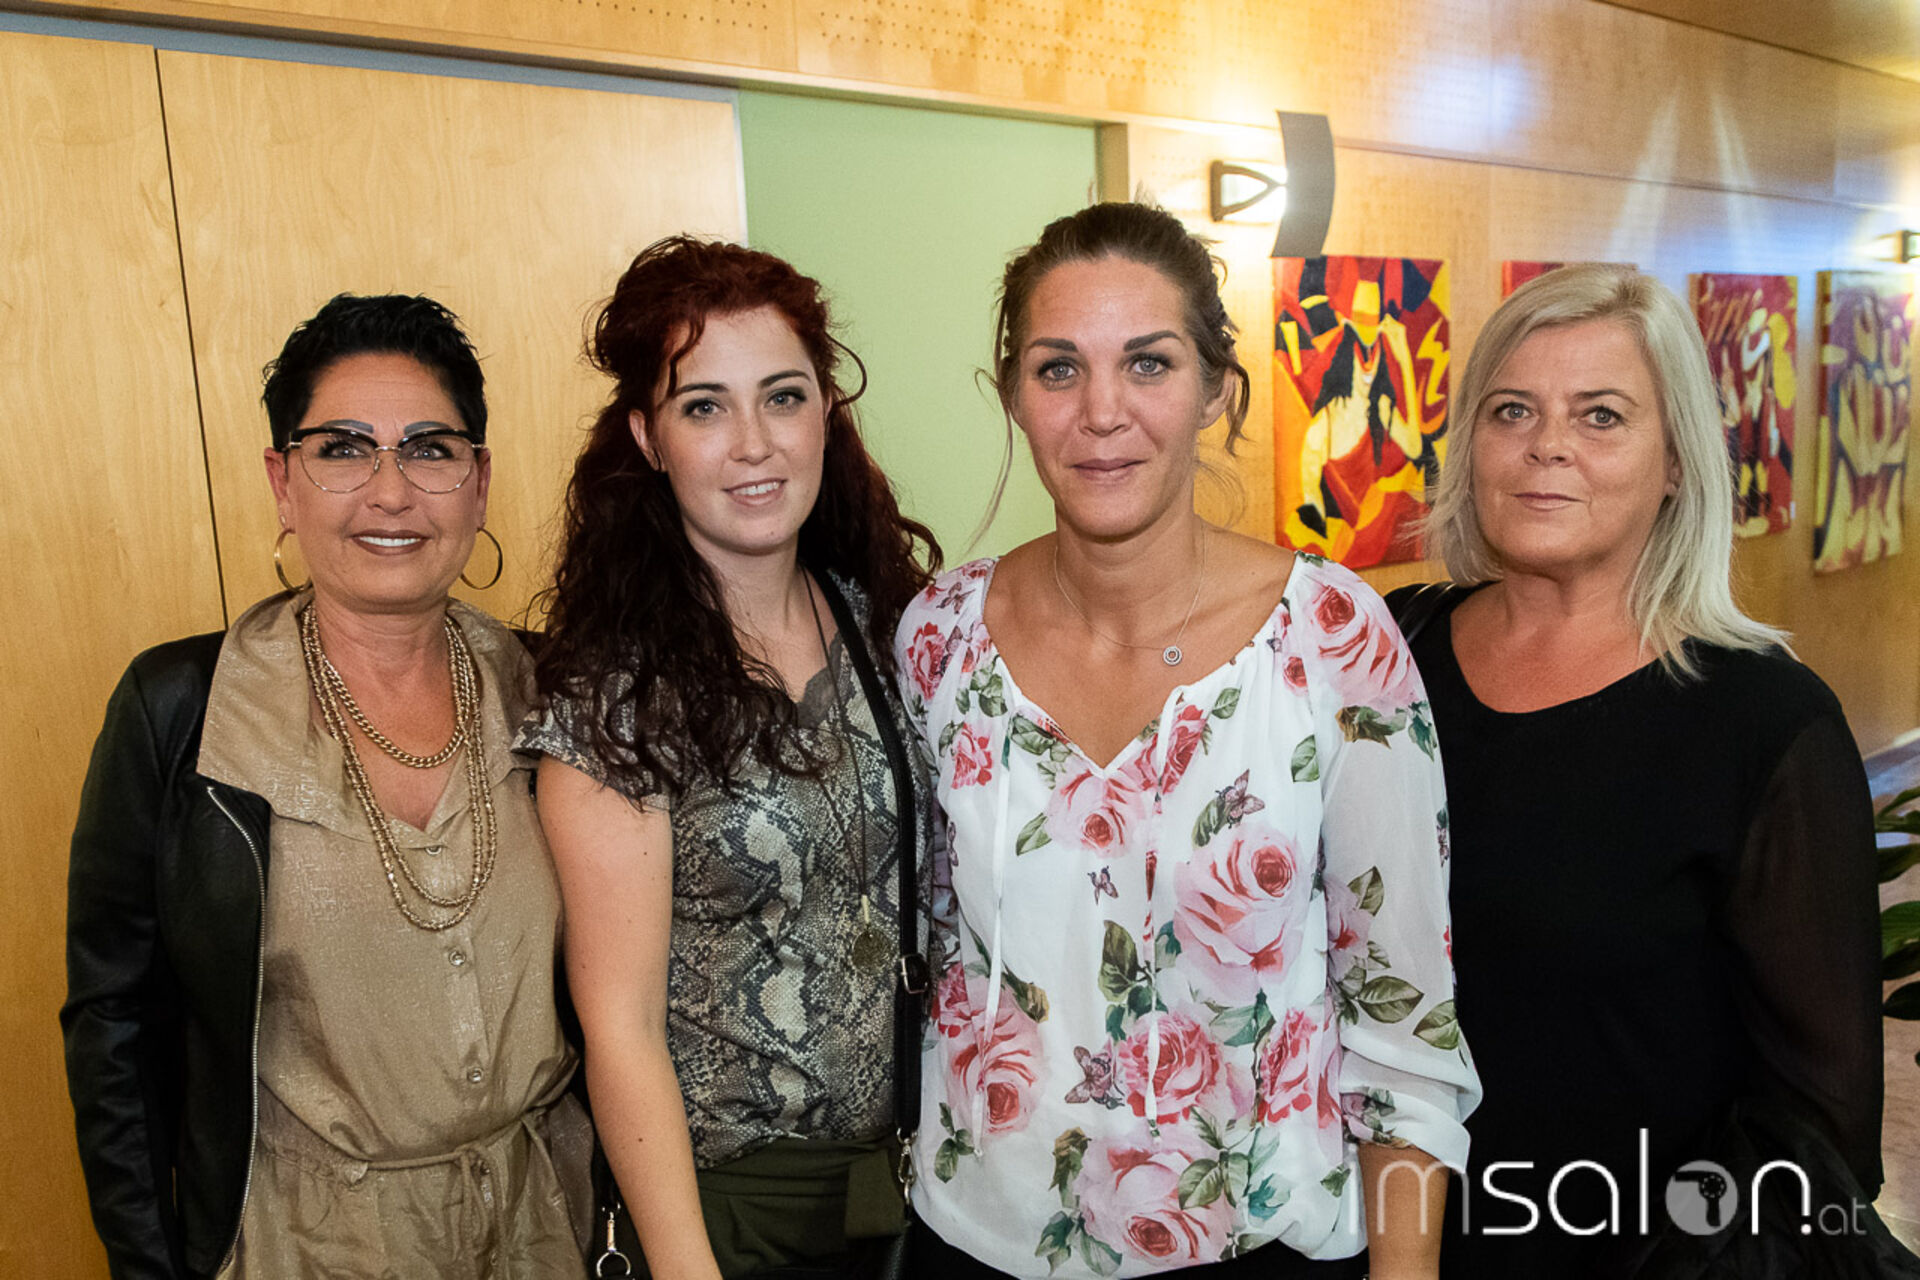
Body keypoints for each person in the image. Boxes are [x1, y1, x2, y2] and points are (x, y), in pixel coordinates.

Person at [894, 202, 1479, 1279]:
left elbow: (1405, 1032)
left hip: (1259, 1246)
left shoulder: (1331, 640)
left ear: (1217, 389)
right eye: (1058, 368)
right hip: (976, 1243)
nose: (1101, 412)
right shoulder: (939, 638)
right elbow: (932, 956)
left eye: (1148, 363)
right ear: (1013, 394)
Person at [1385, 263, 1907, 1277]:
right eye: (1512, 410)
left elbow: (1818, 1123)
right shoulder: (1387, 651)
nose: (1547, 444)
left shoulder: (1763, 719)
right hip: (1378, 1236)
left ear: (1675, 462)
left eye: (1602, 415)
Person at [63, 294, 593, 1278]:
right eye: (343, 449)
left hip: (545, 1223)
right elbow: (112, 1022)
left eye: (431, 449)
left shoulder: (559, 692)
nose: (390, 492)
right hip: (298, 1240)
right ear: (283, 481)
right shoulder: (182, 709)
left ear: (478, 483)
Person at [520, 236, 941, 1279]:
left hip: (908, 1193)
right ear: (648, 438)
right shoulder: (619, 702)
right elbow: (620, 1029)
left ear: (825, 412)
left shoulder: (890, 627)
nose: (754, 444)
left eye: (783, 397)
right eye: (704, 406)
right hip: (724, 1215)